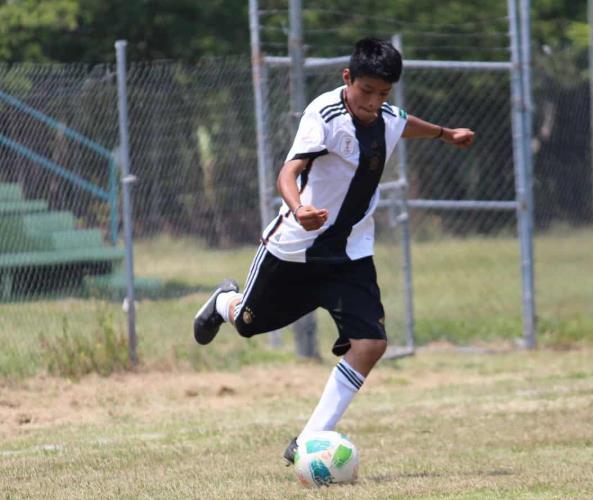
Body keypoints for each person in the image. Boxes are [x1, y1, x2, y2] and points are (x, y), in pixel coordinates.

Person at [193, 37, 474, 464]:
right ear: (347, 78)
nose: (374, 102)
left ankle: (309, 438)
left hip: (350, 255)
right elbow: (288, 173)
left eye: (383, 94)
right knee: (250, 323)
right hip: (295, 249)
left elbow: (403, 121)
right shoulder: (324, 115)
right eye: (366, 91)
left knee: (371, 343)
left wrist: (444, 134)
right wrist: (300, 207)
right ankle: (224, 302)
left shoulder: (386, 115)